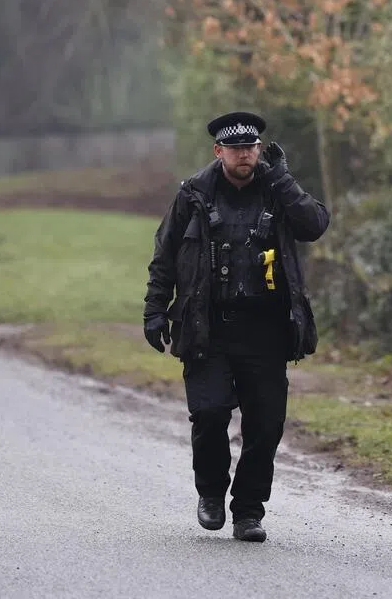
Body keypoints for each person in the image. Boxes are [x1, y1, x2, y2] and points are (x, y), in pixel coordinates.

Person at [142, 111, 330, 543]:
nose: (244, 154)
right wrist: (154, 310)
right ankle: (211, 493)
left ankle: (248, 510)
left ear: (259, 150)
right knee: (209, 414)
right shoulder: (193, 195)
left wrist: (283, 180)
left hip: (265, 331)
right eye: (235, 148)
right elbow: (165, 255)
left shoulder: (277, 189)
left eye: (251, 147)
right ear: (219, 151)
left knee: (265, 426)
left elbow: (314, 225)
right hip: (209, 328)